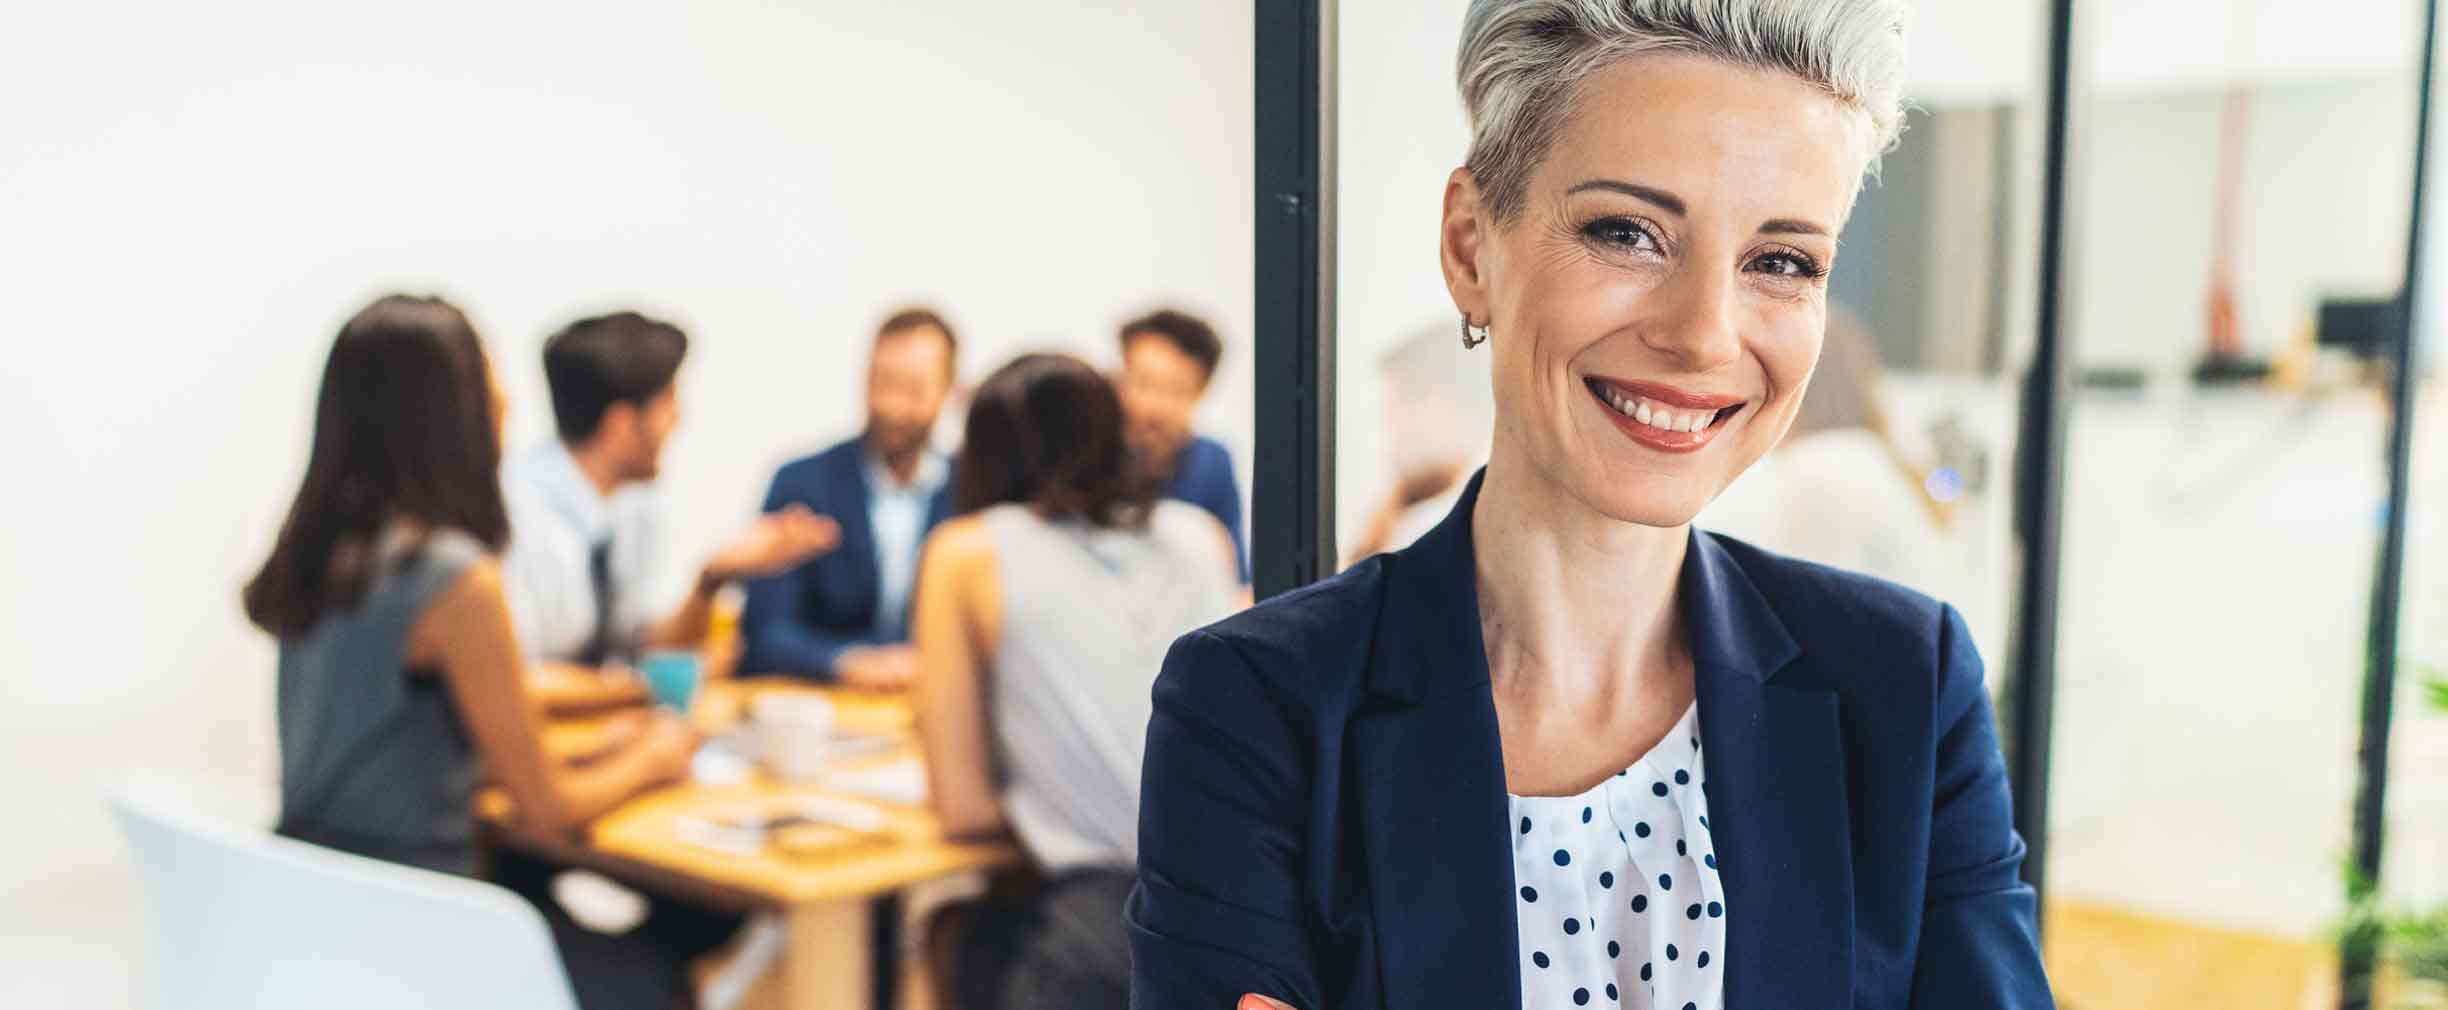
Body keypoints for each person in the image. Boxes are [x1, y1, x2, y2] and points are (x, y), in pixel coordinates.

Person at [1129, 3, 2054, 1009]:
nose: (1703, 333)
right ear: (1471, 246)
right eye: (1629, 232)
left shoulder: (1903, 687)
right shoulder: (1259, 709)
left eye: (1782, 261)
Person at [246, 295, 730, 1010]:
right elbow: (548, 812)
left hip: (318, 905)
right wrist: (658, 752)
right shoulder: (453, 579)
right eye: (489, 380)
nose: (505, 400)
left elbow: (404, 746)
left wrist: (599, 747)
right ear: (450, 414)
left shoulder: (325, 553)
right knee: (657, 968)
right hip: (423, 924)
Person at [908, 354, 1239, 1010]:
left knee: (953, 930)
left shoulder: (967, 551)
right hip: (1251, 917)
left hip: (1110, 931)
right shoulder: (1203, 537)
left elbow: (964, 809)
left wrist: (1054, 801)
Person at [502, 311, 840, 708]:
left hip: (603, 733)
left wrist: (713, 578)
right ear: (622, 425)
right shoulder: (511, 511)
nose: (679, 419)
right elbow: (513, 681)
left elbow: (650, 647)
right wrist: (640, 686)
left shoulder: (636, 504)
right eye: (668, 402)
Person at [741, 308, 960, 687]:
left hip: (936, 704)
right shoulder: (803, 483)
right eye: (882, 382)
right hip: (827, 705)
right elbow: (765, 633)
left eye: (913, 389)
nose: (892, 407)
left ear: (949, 390)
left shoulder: (971, 490)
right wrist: (847, 662)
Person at [1115, 308, 1248, 583]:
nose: (1154, 407)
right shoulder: (1085, 457)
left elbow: (1234, 577)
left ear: (1202, 393)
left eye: (1177, 390)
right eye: (1143, 383)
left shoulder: (1212, 463)